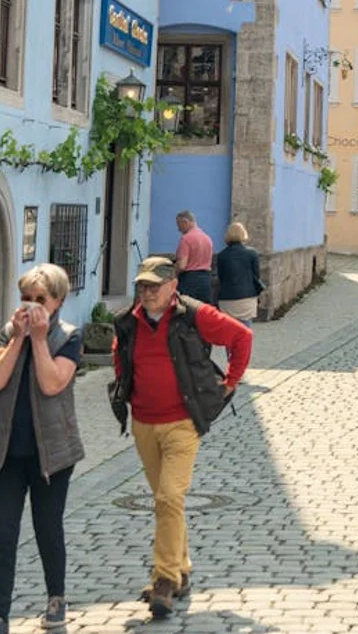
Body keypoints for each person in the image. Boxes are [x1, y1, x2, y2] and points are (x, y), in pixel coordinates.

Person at [110, 257, 252, 619]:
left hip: (182, 423)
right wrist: (121, 388)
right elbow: (119, 354)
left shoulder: (194, 315)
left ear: (173, 286)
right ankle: (183, 568)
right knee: (167, 502)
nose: (148, 292)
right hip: (144, 423)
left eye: (155, 286)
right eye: (143, 286)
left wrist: (231, 382)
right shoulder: (129, 321)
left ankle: (164, 579)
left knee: (169, 496)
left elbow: (241, 336)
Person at [0, 264, 85, 634]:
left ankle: (56, 597)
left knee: (47, 527)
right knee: (2, 533)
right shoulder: (10, 332)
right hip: (6, 451)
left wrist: (39, 340)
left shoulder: (69, 336)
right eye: (26, 298)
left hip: (52, 452)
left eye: (41, 299)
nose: (32, 305)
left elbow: (53, 382)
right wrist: (20, 339)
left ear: (58, 301)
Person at [215, 222, 262, 327]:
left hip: (227, 298)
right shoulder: (252, 253)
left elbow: (221, 277)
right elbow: (256, 276)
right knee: (245, 331)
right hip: (247, 297)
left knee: (229, 331)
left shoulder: (222, 255)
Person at [174, 211, 214, 303]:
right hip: (206, 280)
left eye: (179, 225)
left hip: (189, 280)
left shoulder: (186, 239)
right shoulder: (207, 239)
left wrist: (172, 274)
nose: (178, 229)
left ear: (185, 222)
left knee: (187, 311)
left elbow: (182, 266)